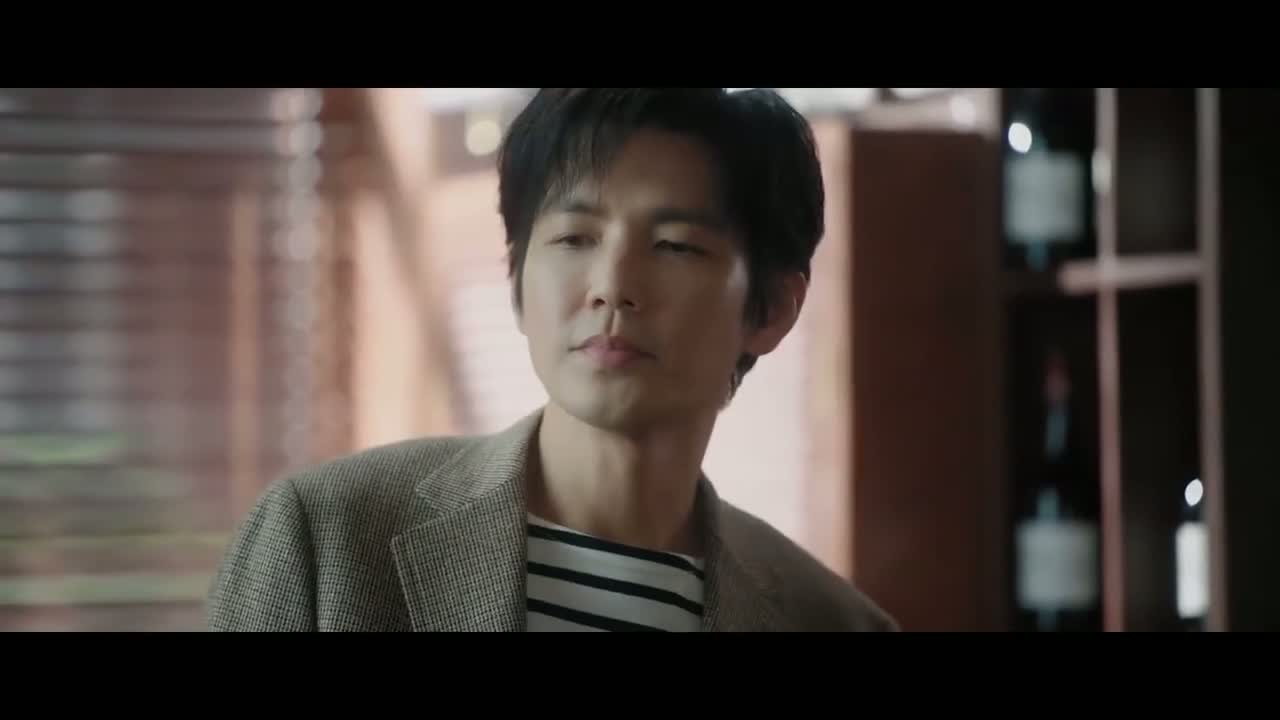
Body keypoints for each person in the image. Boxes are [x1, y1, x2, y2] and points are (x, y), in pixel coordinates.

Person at [206, 88, 899, 632]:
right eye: (574, 238)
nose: (612, 287)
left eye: (675, 245)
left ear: (771, 309)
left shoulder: (831, 620)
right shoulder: (327, 540)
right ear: (517, 282)